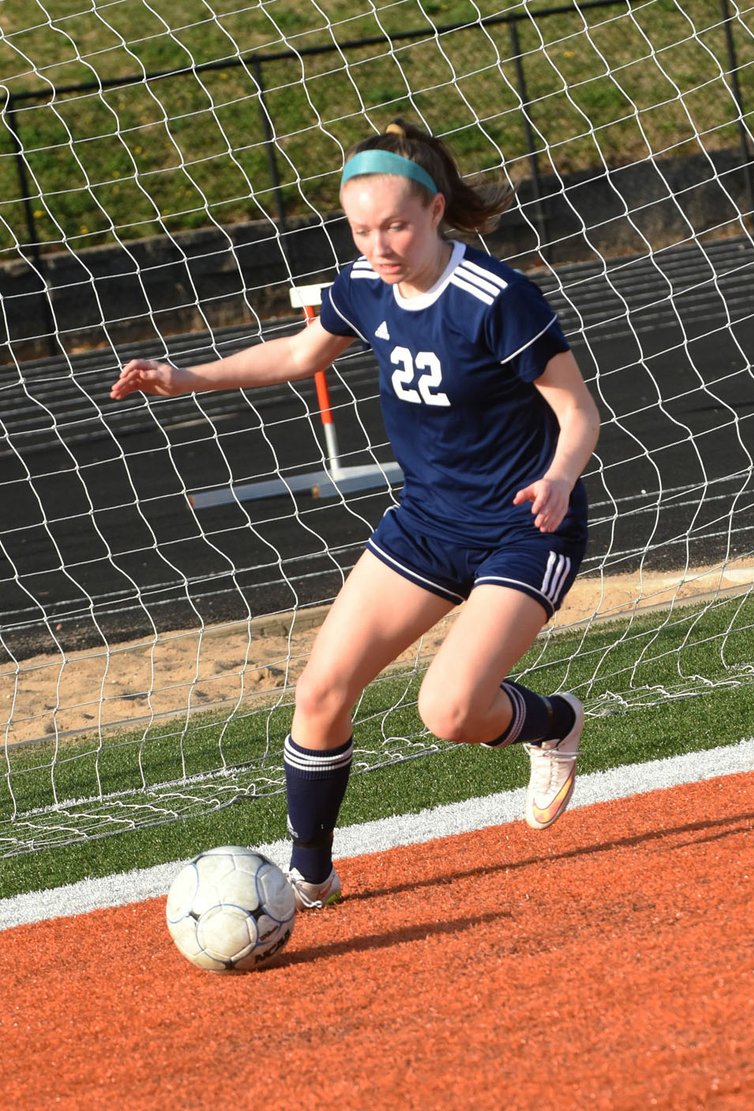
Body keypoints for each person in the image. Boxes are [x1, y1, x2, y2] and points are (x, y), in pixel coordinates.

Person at [111, 119, 600, 910]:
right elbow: (303, 354)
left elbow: (578, 412)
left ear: (436, 211)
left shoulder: (497, 300)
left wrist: (558, 476)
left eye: (397, 225)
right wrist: (186, 374)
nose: (380, 244)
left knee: (448, 710)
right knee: (320, 692)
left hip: (523, 523)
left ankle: (552, 720)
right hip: (427, 523)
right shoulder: (363, 285)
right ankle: (309, 874)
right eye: (362, 229)